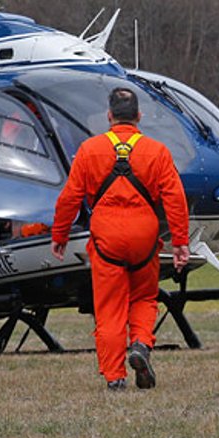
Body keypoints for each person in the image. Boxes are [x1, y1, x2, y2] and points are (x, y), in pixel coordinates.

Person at [50, 88, 190, 391]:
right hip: (144, 238)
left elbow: (69, 198)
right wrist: (180, 242)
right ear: (139, 116)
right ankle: (140, 344)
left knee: (110, 308)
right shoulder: (157, 151)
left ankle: (115, 377)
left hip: (107, 239)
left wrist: (60, 234)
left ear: (109, 116)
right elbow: (175, 199)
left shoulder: (89, 150)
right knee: (144, 298)